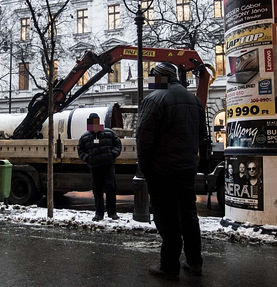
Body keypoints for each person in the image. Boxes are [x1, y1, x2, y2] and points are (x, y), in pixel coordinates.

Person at [136, 62, 206, 281]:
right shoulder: (194, 100)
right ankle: (194, 262)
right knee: (188, 214)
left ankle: (169, 266)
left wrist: (147, 171)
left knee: (168, 218)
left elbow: (144, 140)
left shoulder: (154, 99)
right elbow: (202, 136)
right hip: (186, 169)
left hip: (162, 171)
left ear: (159, 78)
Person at [77, 113, 122, 221]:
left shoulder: (108, 133)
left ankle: (112, 213)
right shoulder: (85, 137)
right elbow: (80, 150)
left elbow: (118, 144)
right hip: (94, 167)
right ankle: (99, 214)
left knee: (111, 189)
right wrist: (88, 158)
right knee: (97, 191)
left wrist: (112, 155)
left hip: (108, 166)